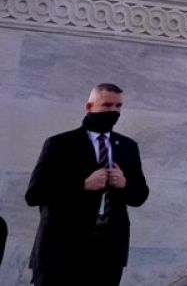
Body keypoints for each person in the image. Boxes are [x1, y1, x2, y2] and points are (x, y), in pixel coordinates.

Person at [24, 82, 150, 285]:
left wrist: (124, 184)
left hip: (107, 253)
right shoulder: (60, 144)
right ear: (89, 107)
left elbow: (140, 196)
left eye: (118, 106)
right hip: (62, 250)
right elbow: (35, 194)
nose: (113, 111)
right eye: (107, 105)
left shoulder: (127, 147)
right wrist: (81, 185)